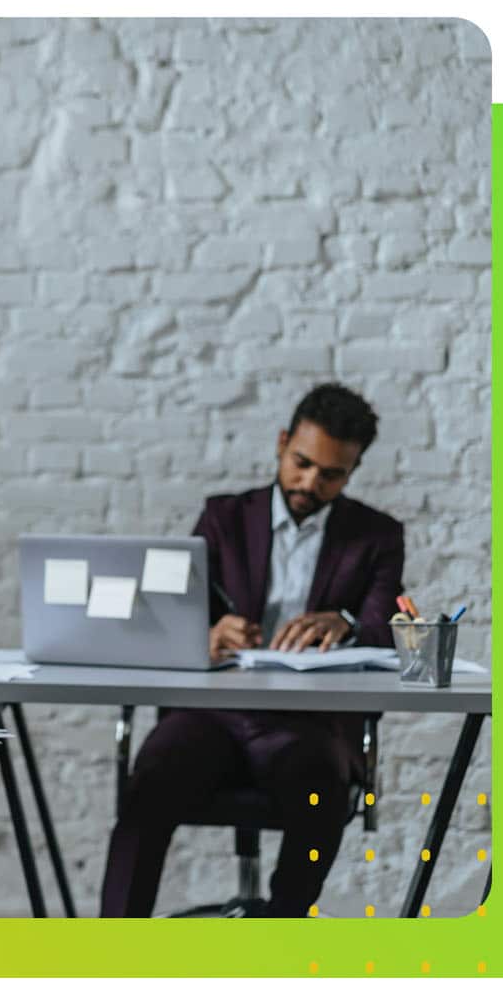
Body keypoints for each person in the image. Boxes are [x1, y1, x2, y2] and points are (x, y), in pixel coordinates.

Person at [99, 383, 404, 917]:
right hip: (211, 713)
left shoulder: (376, 536)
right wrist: (208, 635)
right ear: (283, 443)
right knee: (152, 781)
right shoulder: (223, 517)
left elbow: (384, 626)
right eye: (301, 462)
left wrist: (346, 621)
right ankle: (114, 951)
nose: (311, 482)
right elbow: (176, 612)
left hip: (309, 721)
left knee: (321, 793)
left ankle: (281, 935)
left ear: (352, 471)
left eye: (331, 474)